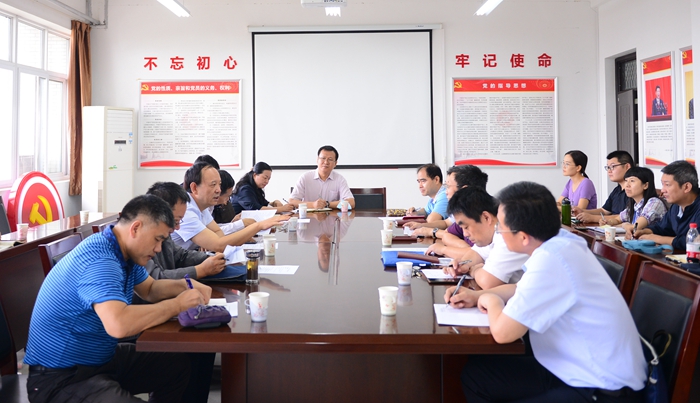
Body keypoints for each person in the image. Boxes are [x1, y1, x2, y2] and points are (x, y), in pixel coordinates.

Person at [447, 181, 646, 403]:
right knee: (477, 376)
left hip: (600, 386)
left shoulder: (552, 260)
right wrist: (476, 296)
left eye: (501, 227)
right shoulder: (561, 242)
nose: (498, 232)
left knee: (482, 377)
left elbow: (503, 333)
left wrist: (491, 301)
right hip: (570, 367)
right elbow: (522, 288)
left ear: (523, 236)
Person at [24, 194, 213, 403]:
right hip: (62, 377)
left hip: (100, 359)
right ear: (136, 228)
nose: (158, 249)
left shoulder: (121, 251)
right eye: (157, 239)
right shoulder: (101, 260)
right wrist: (177, 304)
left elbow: (150, 289)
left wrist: (185, 284)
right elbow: (119, 324)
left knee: (176, 365)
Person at [171, 162, 289, 252]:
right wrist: (259, 225)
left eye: (219, 184)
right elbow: (218, 244)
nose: (218, 190)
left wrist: (214, 243)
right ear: (194, 188)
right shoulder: (186, 209)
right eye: (213, 185)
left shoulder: (201, 206)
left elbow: (217, 232)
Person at [442, 187, 529, 289]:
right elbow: (476, 253)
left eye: (466, 227)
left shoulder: (508, 234)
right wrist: (462, 265)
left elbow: (488, 282)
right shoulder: (492, 232)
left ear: (486, 217)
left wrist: (473, 270)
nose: (465, 234)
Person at [146, 181, 226, 280]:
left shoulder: (165, 233)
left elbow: (180, 256)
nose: (177, 227)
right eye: (175, 221)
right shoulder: (141, 241)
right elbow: (155, 278)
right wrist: (201, 270)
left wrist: (209, 257)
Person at [634, 160, 700, 250]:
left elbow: (695, 241)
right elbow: (662, 228)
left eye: (667, 185)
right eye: (662, 184)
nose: (662, 190)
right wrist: (645, 231)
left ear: (686, 187)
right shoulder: (676, 206)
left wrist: (657, 239)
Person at [596, 167, 667, 239]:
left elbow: (635, 227)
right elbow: (618, 219)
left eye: (632, 181)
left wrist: (624, 225)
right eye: (626, 181)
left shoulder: (654, 203)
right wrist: (608, 222)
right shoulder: (634, 205)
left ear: (645, 185)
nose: (627, 185)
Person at [289, 145, 355, 210]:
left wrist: (327, 204)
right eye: (323, 158)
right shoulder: (305, 178)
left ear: (335, 163)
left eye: (330, 159)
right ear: (317, 160)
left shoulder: (339, 179)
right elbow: (292, 201)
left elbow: (351, 203)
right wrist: (313, 205)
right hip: (308, 216)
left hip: (331, 216)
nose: (326, 162)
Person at [574, 150, 633, 222]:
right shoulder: (617, 190)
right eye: (608, 167)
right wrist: (582, 211)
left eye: (613, 166)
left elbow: (624, 216)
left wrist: (592, 218)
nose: (609, 171)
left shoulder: (633, 191)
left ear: (627, 167)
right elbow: (604, 211)